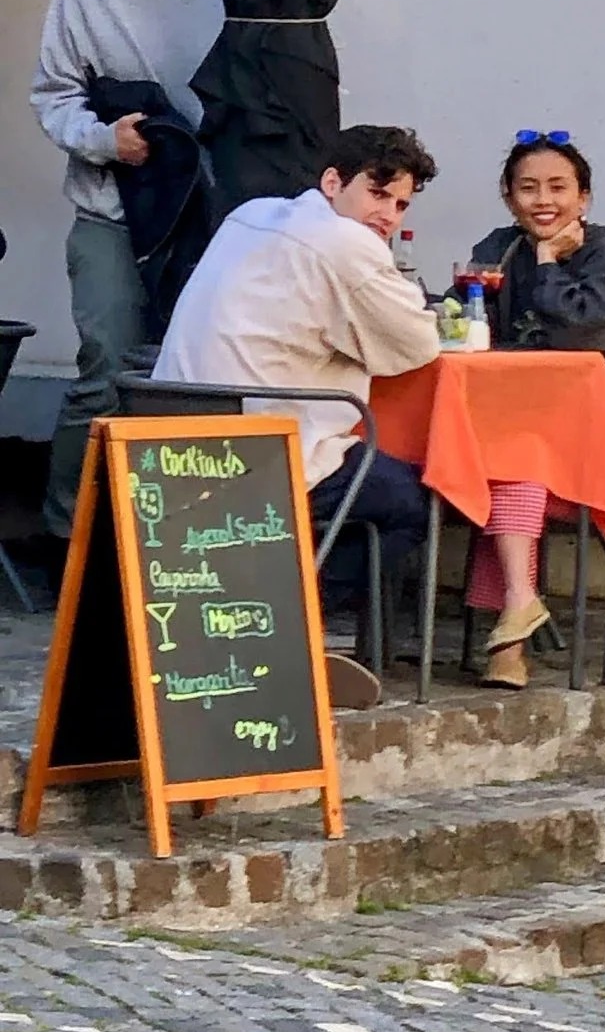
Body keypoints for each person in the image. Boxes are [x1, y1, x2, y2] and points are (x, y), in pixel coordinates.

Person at [153, 122, 442, 705]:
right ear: (333, 182)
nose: (387, 213)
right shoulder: (347, 244)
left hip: (167, 449)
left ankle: (267, 614)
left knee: (370, 475)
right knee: (413, 500)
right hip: (259, 459)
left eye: (401, 203)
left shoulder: (250, 215)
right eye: (377, 192)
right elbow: (416, 347)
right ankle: (289, 626)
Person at [31, 0, 225, 550]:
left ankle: (166, 545)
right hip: (108, 211)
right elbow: (50, 96)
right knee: (106, 370)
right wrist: (105, 140)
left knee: (194, 374)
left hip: (207, 215)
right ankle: (66, 539)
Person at [459, 132, 605, 687]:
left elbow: (591, 331)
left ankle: (510, 635)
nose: (543, 200)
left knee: (514, 472)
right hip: (535, 440)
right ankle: (516, 617)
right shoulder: (497, 248)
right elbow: (465, 326)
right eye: (527, 188)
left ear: (584, 198)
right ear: (508, 197)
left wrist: (550, 263)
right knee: (512, 472)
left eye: (559, 187)